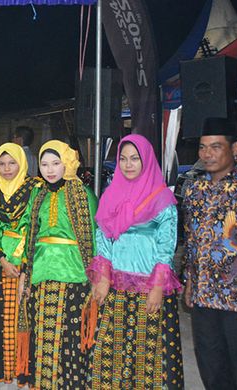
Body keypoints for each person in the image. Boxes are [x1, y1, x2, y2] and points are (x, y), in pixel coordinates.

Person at [182, 118, 237, 390]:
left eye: (215, 147)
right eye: (202, 147)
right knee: (210, 365)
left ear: (235, 148)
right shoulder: (194, 190)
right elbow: (192, 241)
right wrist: (189, 281)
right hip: (203, 296)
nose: (207, 154)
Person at [88, 134, 184, 388]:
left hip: (148, 288)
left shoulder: (162, 200)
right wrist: (104, 277)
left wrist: (157, 287)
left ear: (147, 161)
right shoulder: (111, 195)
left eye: (134, 159)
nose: (128, 164)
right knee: (112, 348)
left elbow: (166, 248)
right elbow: (103, 238)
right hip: (117, 286)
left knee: (147, 352)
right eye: (123, 159)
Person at [19, 140, 98, 388]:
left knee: (70, 338)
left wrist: (96, 275)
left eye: (56, 163)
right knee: (43, 336)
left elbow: (93, 237)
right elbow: (29, 234)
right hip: (41, 274)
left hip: (74, 275)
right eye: (44, 164)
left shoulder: (82, 193)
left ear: (67, 163)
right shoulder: (38, 194)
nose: (50, 169)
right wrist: (25, 272)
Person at [0, 143, 41, 385]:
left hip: (28, 262)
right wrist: (1, 260)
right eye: (2, 164)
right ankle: (5, 369)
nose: (7, 169)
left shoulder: (35, 189)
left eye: (12, 163)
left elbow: (36, 225)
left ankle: (25, 370)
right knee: (4, 319)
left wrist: (24, 264)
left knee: (26, 317)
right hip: (5, 262)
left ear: (22, 164)